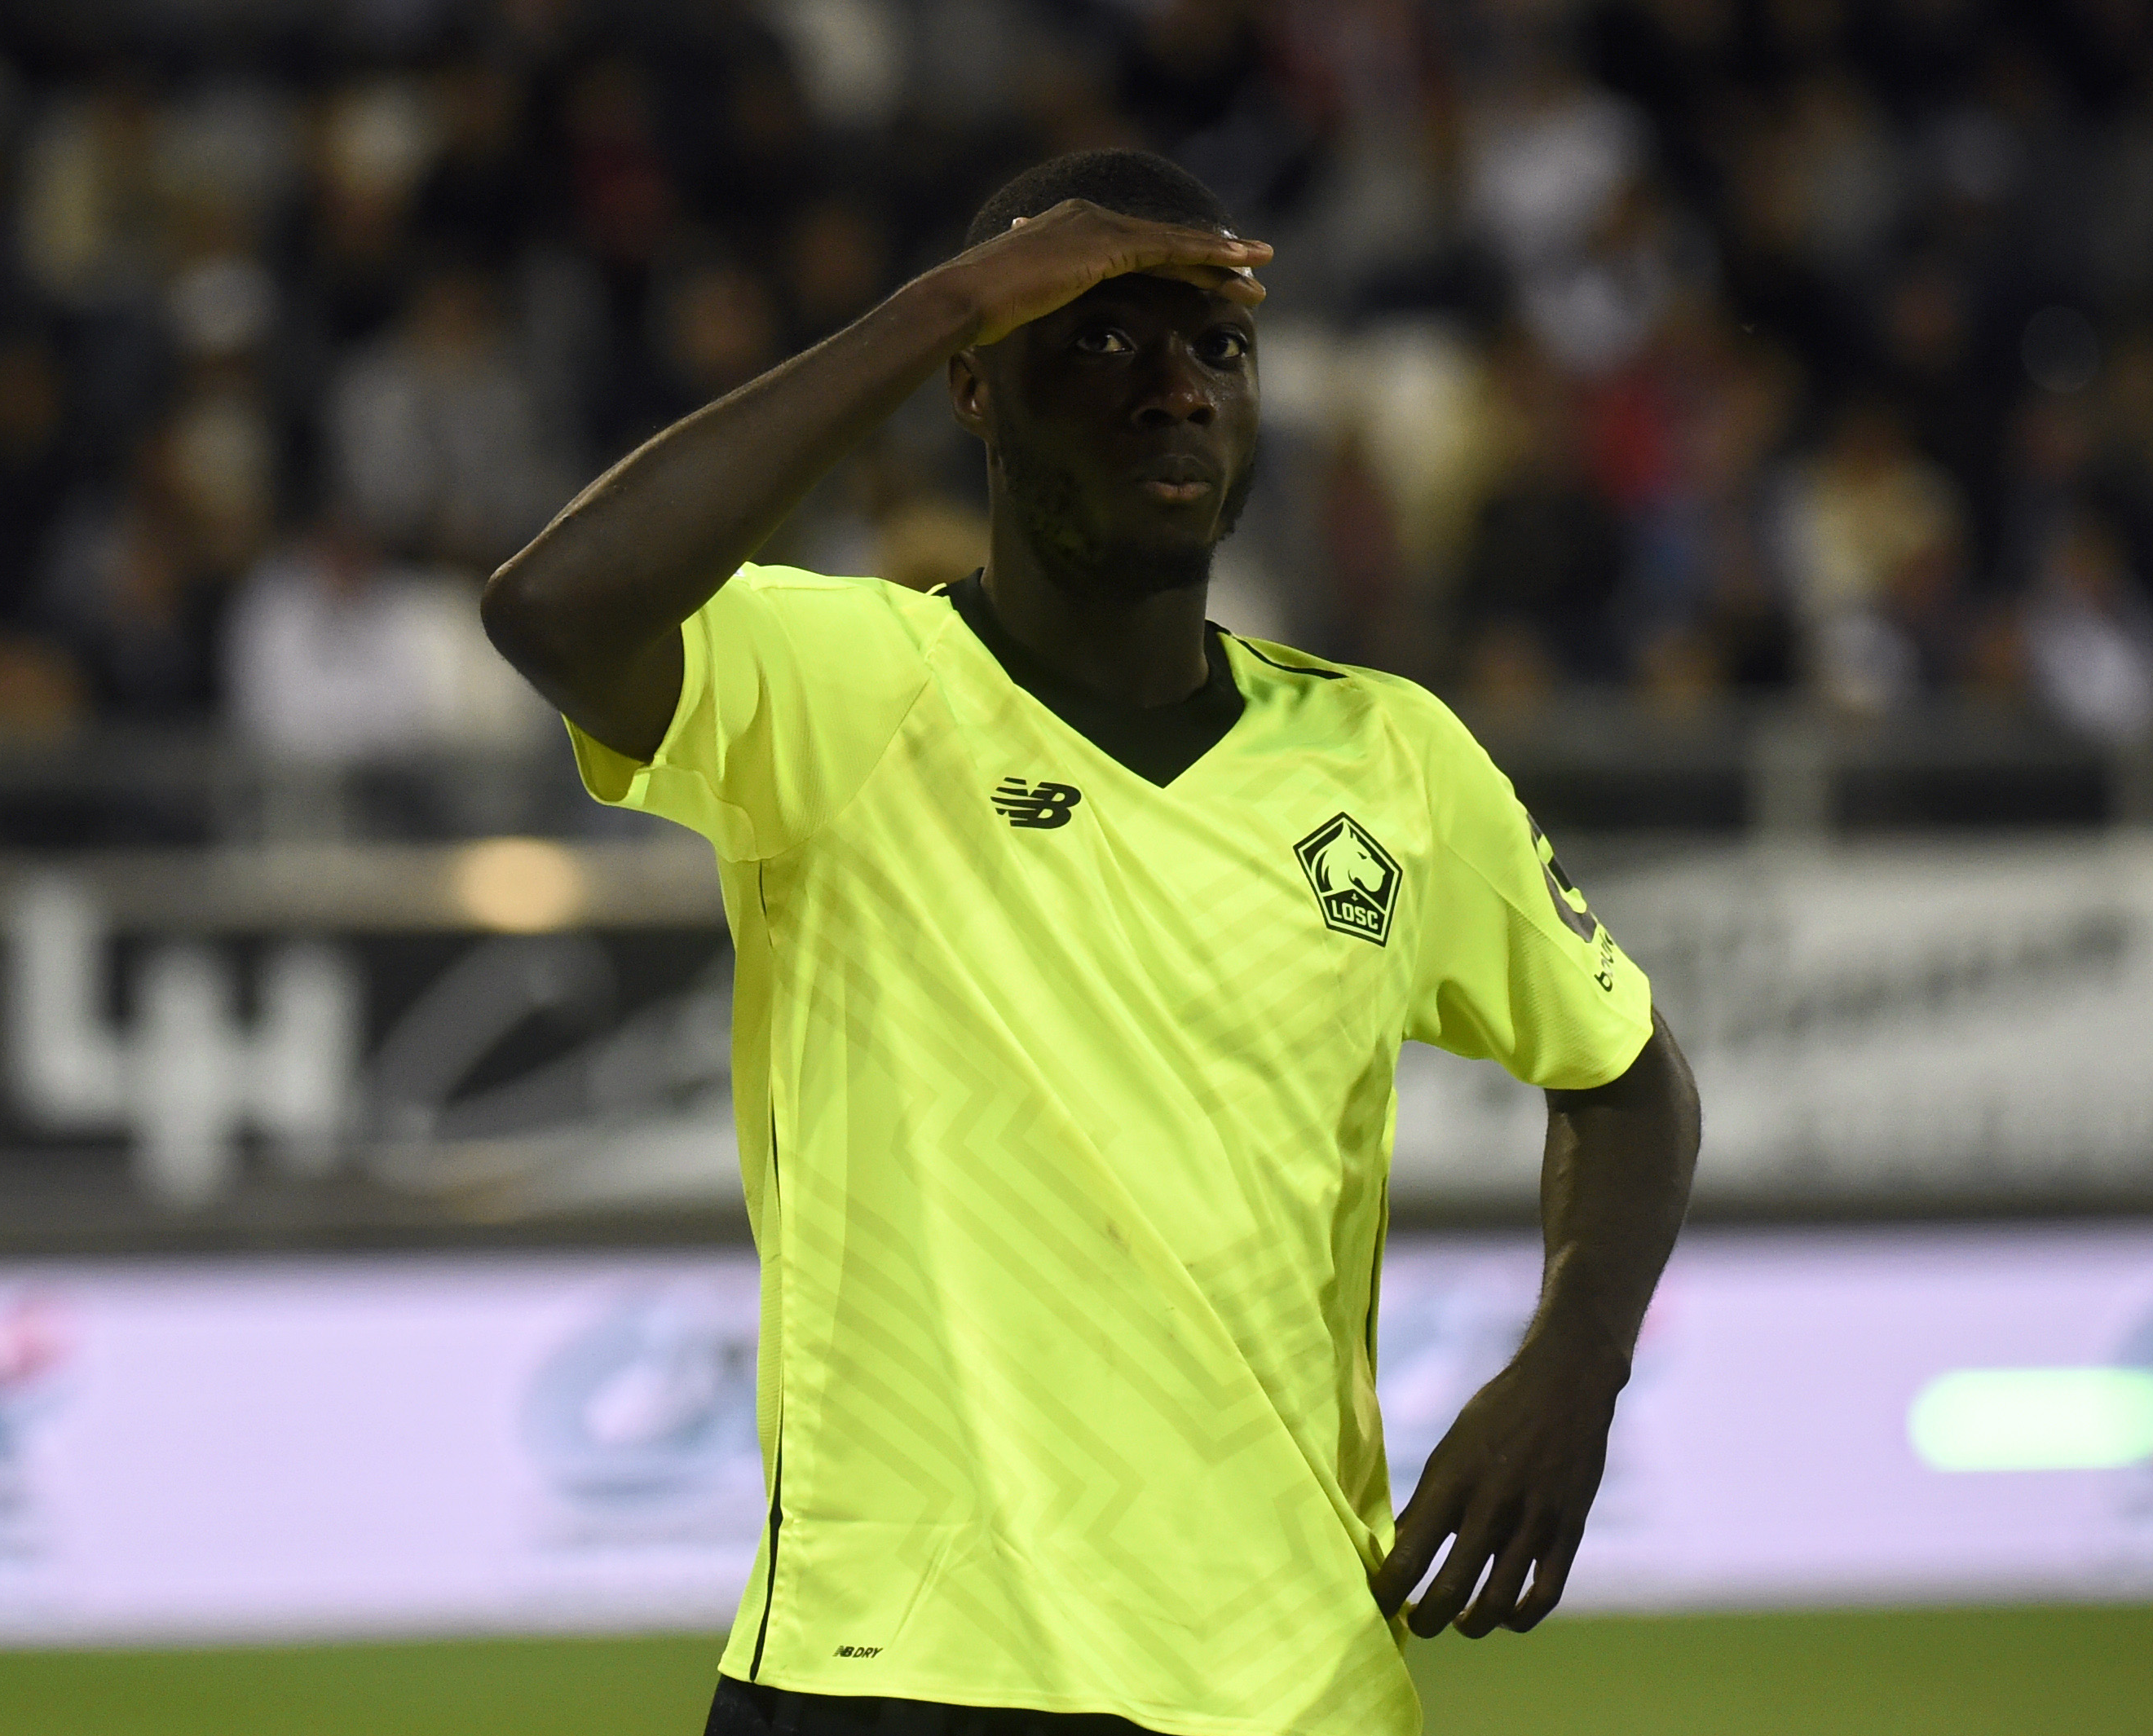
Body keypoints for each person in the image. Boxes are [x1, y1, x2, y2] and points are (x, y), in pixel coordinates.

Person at [483, 149, 1700, 1736]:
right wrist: (952, 300)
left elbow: (1628, 1078)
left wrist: (1576, 1365)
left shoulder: (1391, 759)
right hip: (899, 1666)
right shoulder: (846, 687)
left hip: (1299, 1686)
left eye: (1220, 347)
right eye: (1105, 336)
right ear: (977, 390)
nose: (1180, 388)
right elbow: (557, 609)